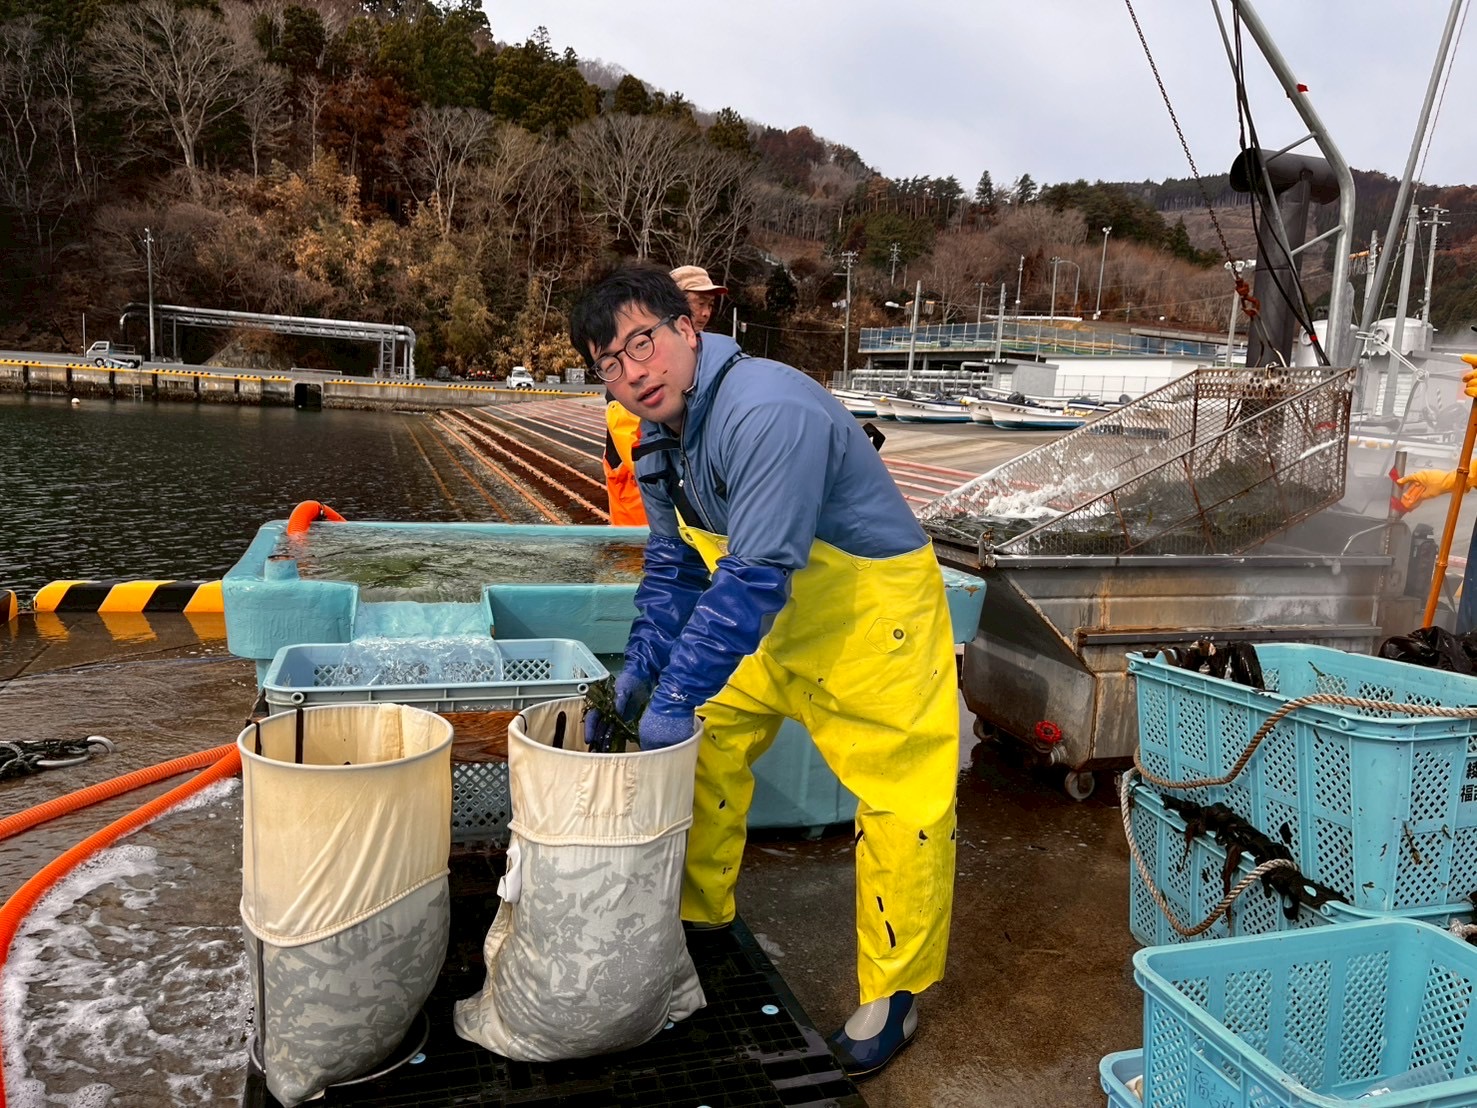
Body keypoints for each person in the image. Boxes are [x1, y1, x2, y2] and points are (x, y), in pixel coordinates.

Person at [570, 263, 958, 1078]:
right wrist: (642, 676)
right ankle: (700, 916)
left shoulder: (766, 409)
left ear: (688, 328)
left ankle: (894, 991)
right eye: (608, 361)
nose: (632, 371)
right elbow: (676, 568)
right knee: (703, 747)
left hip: (864, 619)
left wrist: (679, 687)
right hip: (765, 627)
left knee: (900, 801)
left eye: (642, 341)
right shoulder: (657, 439)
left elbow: (753, 571)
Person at [670, 264, 728, 333]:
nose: (707, 313)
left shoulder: (714, 342)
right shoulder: (657, 341)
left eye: (710, 305)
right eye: (701, 303)